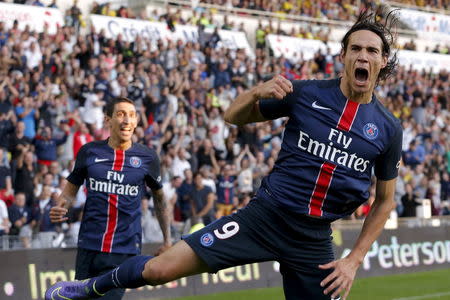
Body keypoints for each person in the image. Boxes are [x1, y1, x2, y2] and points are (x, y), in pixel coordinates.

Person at [46, 9, 402, 300]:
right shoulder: (305, 94)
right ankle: (89, 287)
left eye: (372, 51)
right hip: (265, 217)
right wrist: (256, 92)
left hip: (314, 239)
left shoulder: (388, 129)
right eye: (356, 48)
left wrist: (354, 260)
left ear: (382, 61)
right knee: (160, 269)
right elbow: (232, 117)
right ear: (343, 56)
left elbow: (384, 201)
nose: (363, 56)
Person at [46, 97, 171, 299]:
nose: (126, 120)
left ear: (136, 121)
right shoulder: (89, 152)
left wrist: (167, 239)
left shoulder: (148, 158)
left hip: (125, 248)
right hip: (89, 246)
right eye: (120, 114)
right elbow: (70, 190)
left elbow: (160, 198)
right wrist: (62, 205)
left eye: (131, 115)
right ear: (108, 120)